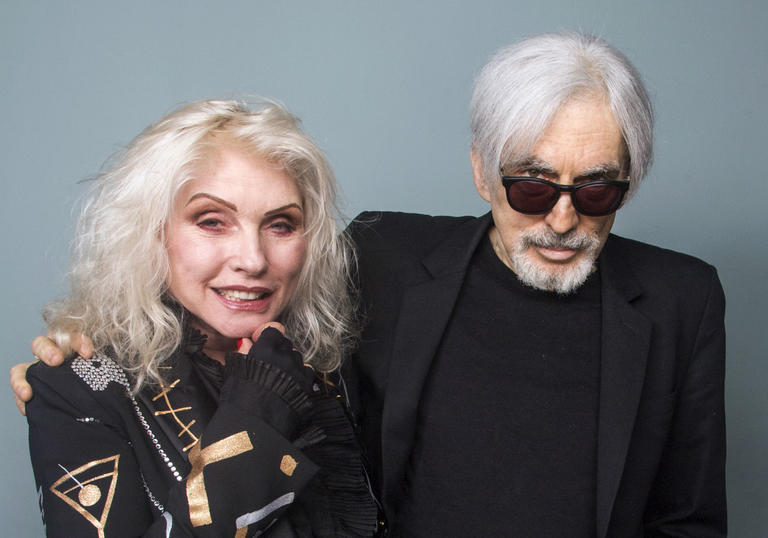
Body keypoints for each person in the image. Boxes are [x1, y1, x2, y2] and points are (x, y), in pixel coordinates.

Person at [13, 32, 726, 537]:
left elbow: (687, 519)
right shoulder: (383, 257)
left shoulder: (680, 300)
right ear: (483, 172)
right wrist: (84, 350)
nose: (564, 217)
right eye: (532, 188)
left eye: (597, 191)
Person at [16, 99, 379, 537]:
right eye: (211, 222)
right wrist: (259, 416)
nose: (253, 259)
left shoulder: (338, 364)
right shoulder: (77, 388)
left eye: (281, 224)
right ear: (152, 232)